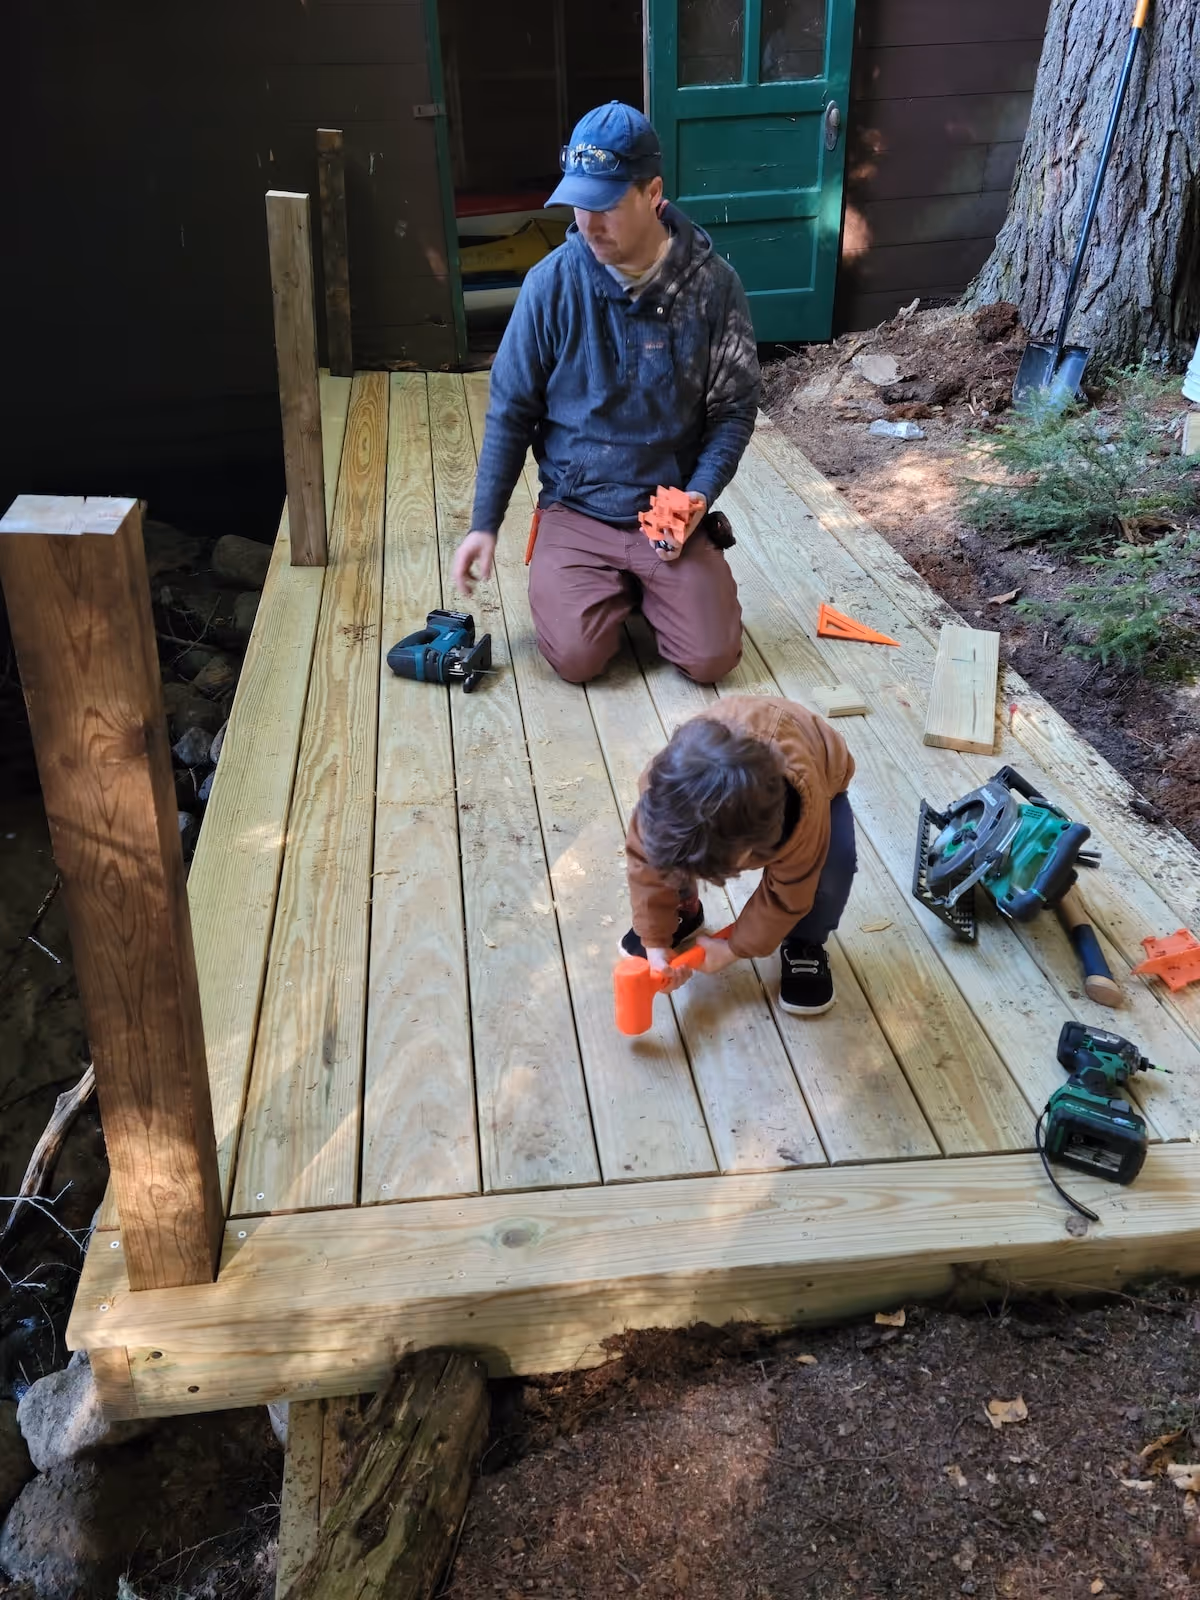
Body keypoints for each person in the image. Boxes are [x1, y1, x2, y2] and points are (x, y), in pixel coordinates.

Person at [453, 100, 760, 686]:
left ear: (653, 194)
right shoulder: (550, 285)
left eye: (607, 205)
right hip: (578, 505)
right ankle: (602, 588)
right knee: (576, 659)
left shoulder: (715, 287)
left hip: (667, 510)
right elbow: (511, 411)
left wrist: (697, 498)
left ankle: (653, 590)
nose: (588, 222)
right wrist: (484, 524)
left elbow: (734, 410)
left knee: (711, 659)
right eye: (579, 202)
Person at [623, 697, 857, 1015]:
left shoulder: (801, 813)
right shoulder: (661, 796)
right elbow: (646, 861)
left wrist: (734, 949)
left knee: (832, 866)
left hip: (822, 773)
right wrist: (654, 941)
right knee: (671, 852)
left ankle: (805, 941)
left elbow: (787, 895)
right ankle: (682, 911)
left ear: (750, 851)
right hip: (739, 766)